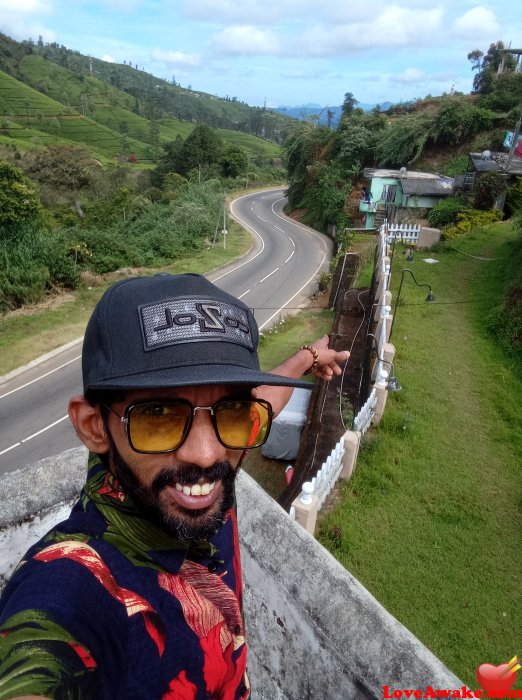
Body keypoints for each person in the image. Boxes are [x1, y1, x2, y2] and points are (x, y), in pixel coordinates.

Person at [0, 273, 348, 700]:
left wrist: (306, 358)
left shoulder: (215, 451)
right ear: (95, 427)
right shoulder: (72, 588)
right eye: (159, 415)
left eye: (232, 411)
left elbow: (261, 401)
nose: (205, 454)